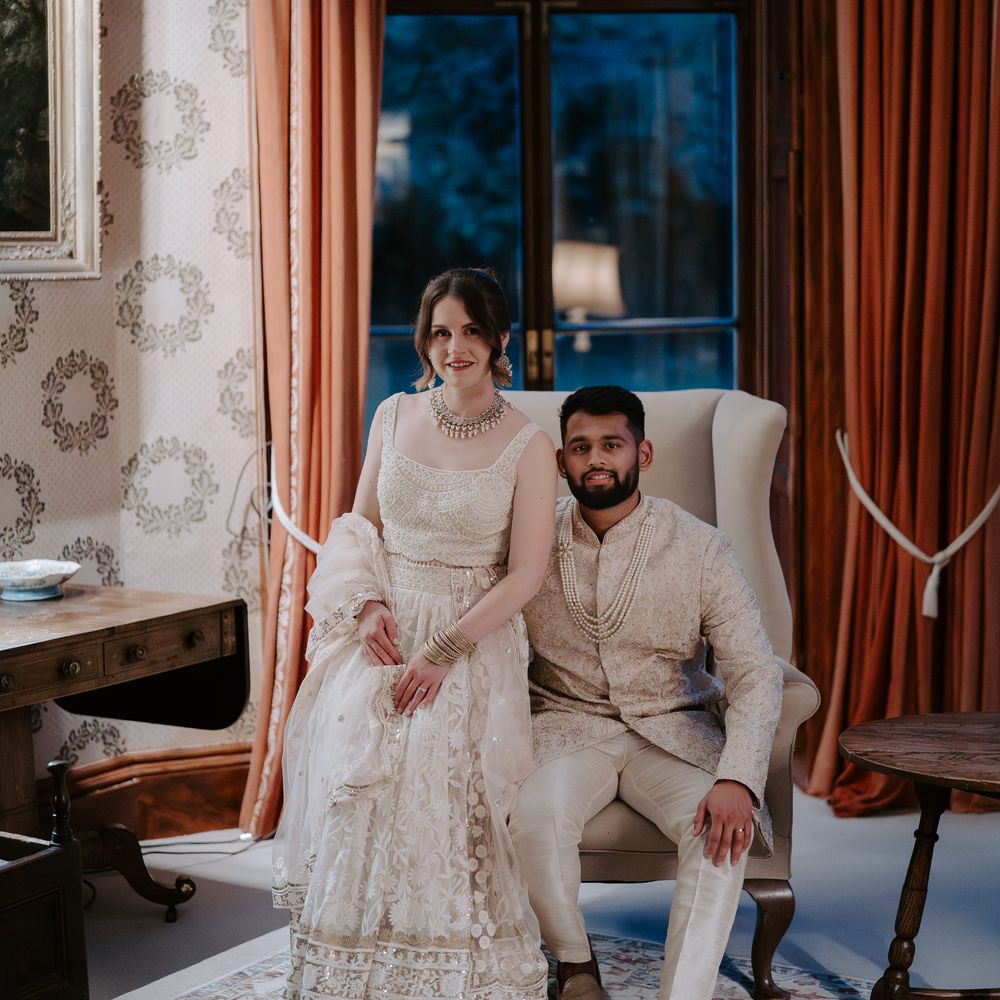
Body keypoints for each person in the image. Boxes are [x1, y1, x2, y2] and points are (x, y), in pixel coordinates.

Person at [273, 268, 556, 999]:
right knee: (357, 764)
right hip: (388, 620)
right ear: (424, 341)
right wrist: (366, 605)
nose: (453, 348)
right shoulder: (393, 414)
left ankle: (443, 973)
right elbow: (358, 524)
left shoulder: (530, 444)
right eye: (439, 332)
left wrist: (444, 651)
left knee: (430, 763)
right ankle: (350, 968)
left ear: (498, 341)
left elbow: (525, 574)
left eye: (469, 332)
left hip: (471, 632)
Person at [510, 385, 785, 1000]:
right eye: (580, 447)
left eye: (612, 444)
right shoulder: (528, 540)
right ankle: (576, 967)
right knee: (534, 818)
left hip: (675, 728)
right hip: (566, 724)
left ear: (644, 453)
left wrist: (739, 779)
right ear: (562, 463)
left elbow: (754, 672)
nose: (596, 459)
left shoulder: (701, 546)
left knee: (721, 833)